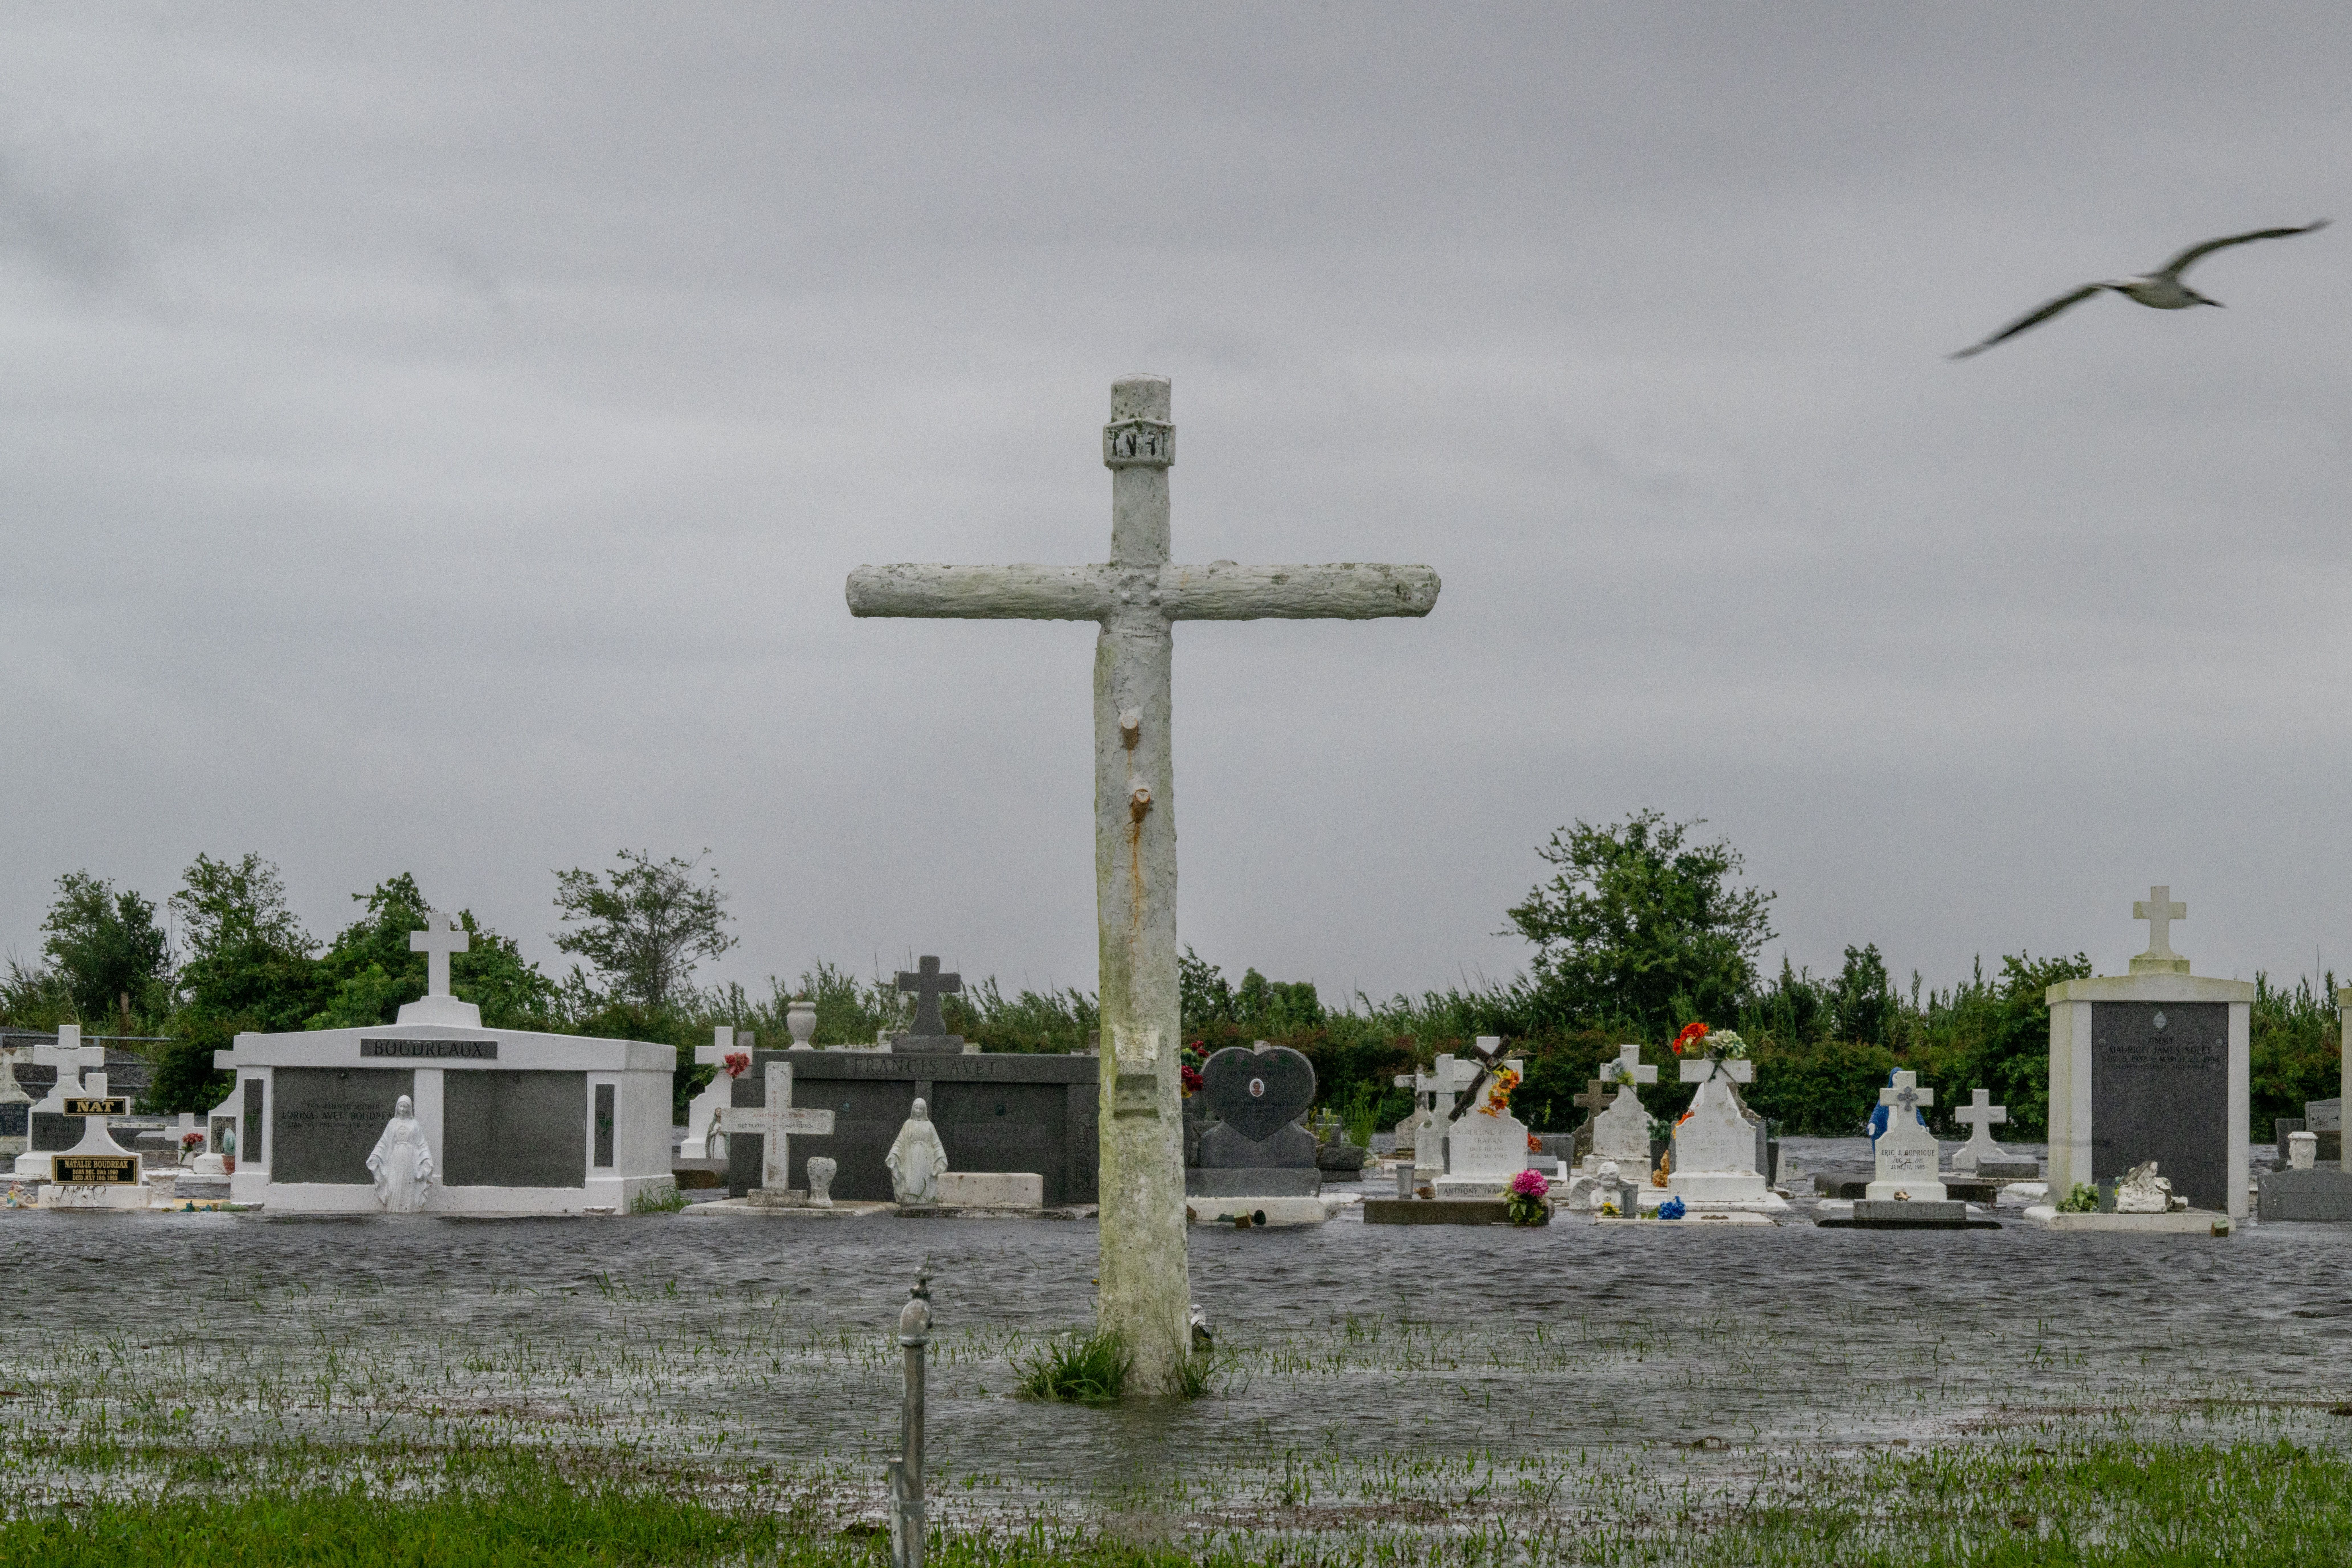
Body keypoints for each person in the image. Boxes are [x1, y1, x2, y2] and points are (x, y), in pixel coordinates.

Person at [367, 1094, 436, 1213]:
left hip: (410, 1160)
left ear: (409, 1109)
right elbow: (384, 1142)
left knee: (408, 1188)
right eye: (401, 1106)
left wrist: (426, 1157)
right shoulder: (392, 1123)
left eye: (405, 1107)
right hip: (395, 1159)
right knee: (393, 1187)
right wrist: (375, 1155)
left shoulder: (415, 1125)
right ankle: (394, 1209)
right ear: (397, 1107)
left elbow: (422, 1144)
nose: (403, 1109)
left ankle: (408, 1210)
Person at [884, 1098, 949, 1204]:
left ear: (925, 1111)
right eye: (917, 1108)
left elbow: (937, 1144)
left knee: (923, 1180)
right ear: (913, 1109)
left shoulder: (930, 1126)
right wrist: (893, 1154)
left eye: (921, 1109)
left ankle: (924, 1202)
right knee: (909, 1182)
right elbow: (900, 1142)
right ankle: (908, 1202)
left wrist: (941, 1157)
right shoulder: (908, 1124)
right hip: (911, 1157)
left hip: (925, 1158)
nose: (918, 1111)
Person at [1866, 1068, 1926, 1145]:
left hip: (1905, 1126)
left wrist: (1922, 1125)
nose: (1897, 1080)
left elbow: (1916, 1112)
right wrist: (1873, 1123)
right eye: (1895, 1077)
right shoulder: (1887, 1095)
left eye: (1900, 1077)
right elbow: (1878, 1111)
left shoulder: (1908, 1094)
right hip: (1891, 1124)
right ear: (1891, 1079)